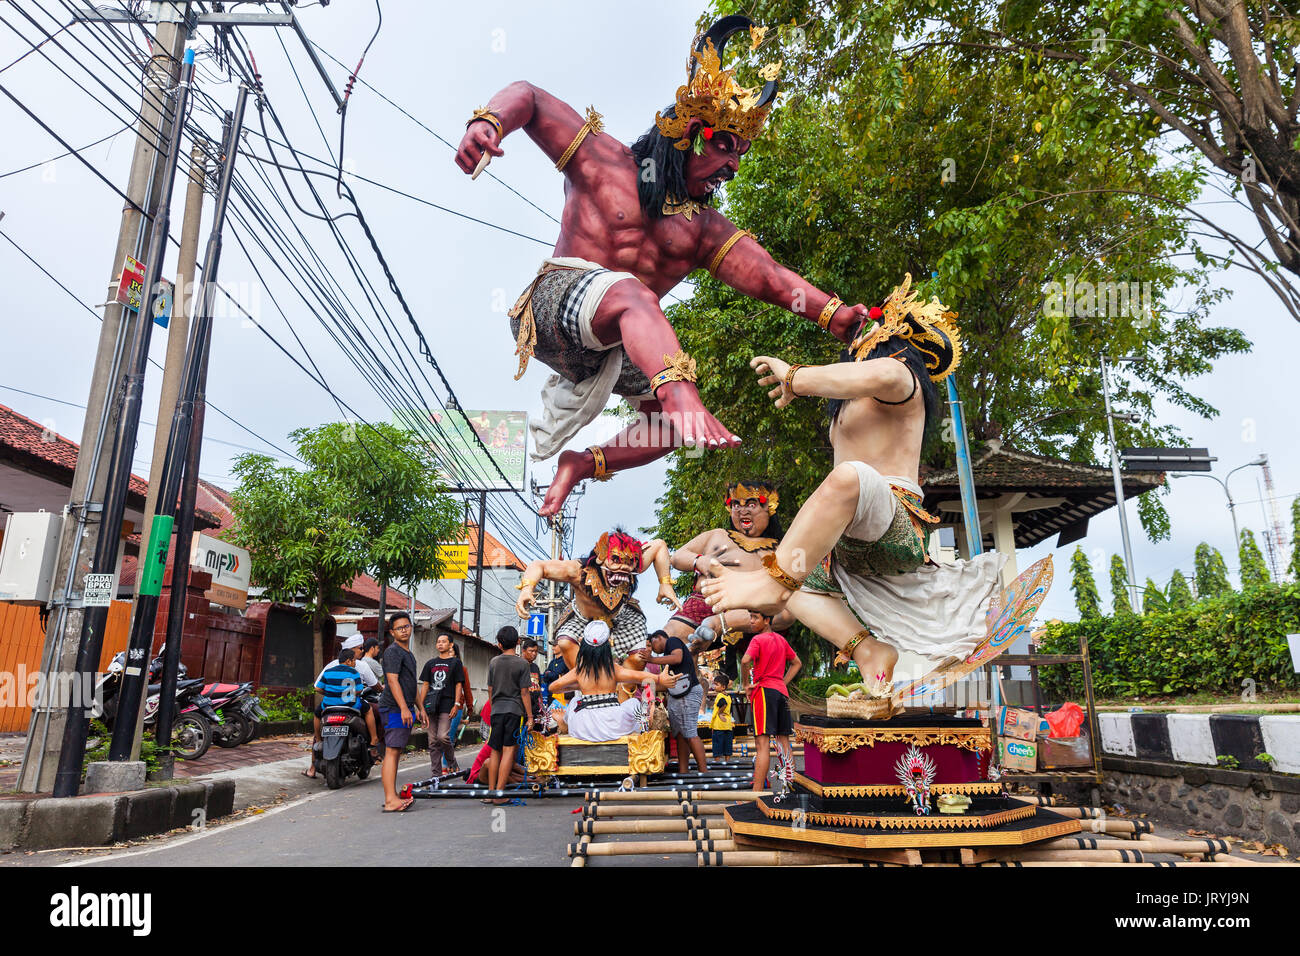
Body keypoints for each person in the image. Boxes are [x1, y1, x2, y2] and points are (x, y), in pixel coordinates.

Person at [456, 15, 878, 517]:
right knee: (636, 295)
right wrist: (489, 122)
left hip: (610, 345)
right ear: (691, 133)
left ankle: (581, 463)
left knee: (671, 427)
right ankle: (683, 398)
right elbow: (529, 96)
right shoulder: (602, 161)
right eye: (726, 146)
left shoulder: (702, 228)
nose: (734, 166)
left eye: (741, 153)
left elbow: (770, 277)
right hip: (554, 305)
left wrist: (834, 316)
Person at [702, 276, 1005, 696]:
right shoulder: (848, 407)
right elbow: (850, 383)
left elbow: (876, 374)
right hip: (849, 545)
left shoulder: (902, 379)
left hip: (894, 521)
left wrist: (795, 377)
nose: (861, 334)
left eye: (872, 328)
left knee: (848, 479)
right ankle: (867, 652)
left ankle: (771, 585)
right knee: (796, 582)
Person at [516, 530, 679, 685]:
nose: (623, 567)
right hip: (582, 619)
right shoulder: (577, 570)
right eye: (615, 559)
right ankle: (586, 683)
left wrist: (665, 583)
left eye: (629, 562)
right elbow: (539, 566)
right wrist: (527, 588)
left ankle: (623, 694)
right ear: (601, 557)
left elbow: (659, 545)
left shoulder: (633, 564)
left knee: (638, 658)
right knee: (565, 642)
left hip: (623, 618)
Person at [666, 479, 794, 676]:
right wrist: (700, 561)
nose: (742, 511)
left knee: (787, 615)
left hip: (755, 612)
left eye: (751, 504)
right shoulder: (717, 535)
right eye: (736, 505)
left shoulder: (780, 550)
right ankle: (690, 688)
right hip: (706, 602)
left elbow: (787, 600)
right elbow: (677, 557)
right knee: (671, 638)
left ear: (770, 508)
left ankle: (720, 625)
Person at [548, 621, 676, 740]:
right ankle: (644, 731)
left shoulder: (580, 670)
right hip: (612, 724)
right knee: (634, 703)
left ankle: (564, 723)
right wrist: (660, 678)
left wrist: (580, 686)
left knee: (575, 701)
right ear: (607, 646)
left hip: (583, 727)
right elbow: (637, 675)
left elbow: (553, 687)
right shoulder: (612, 668)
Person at [740, 616, 801, 791]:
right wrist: (782, 682)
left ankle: (756, 794)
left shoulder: (758, 639)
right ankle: (789, 789)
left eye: (755, 617)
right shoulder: (781, 640)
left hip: (764, 692)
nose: (751, 621)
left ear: (767, 620)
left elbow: (745, 661)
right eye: (750, 617)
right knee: (783, 741)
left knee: (762, 744)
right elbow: (797, 663)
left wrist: (746, 685)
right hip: (781, 692)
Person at [305, 635, 379, 778]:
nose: (361, 652)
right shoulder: (356, 669)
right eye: (360, 649)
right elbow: (359, 690)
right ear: (349, 658)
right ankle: (374, 739)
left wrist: (330, 692)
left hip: (329, 706)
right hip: (350, 705)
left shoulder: (329, 669)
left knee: (317, 714)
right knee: (369, 710)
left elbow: (317, 688)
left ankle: (318, 740)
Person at [643, 629, 708, 773]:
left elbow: (677, 658)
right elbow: (666, 683)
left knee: (690, 732)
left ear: (659, 637)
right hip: (678, 694)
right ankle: (683, 770)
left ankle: (703, 771)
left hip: (688, 691)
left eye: (652, 644)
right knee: (679, 734)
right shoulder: (666, 656)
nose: (652, 649)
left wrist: (652, 659)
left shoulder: (672, 641)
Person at [484, 626, 532, 806]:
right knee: (509, 751)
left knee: (495, 750)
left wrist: (494, 707)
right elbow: (525, 692)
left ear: (499, 643)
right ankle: (500, 793)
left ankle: (490, 792)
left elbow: (490, 689)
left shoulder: (494, 662)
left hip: (497, 710)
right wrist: (530, 717)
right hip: (514, 710)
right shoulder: (522, 664)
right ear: (518, 642)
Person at [378, 612, 419, 812]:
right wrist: (404, 707)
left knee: (396, 752)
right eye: (399, 628)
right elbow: (392, 681)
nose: (404, 630)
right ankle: (390, 800)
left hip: (404, 707)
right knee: (392, 752)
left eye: (407, 626)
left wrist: (419, 708)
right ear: (392, 632)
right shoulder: (393, 652)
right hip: (394, 708)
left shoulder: (408, 653)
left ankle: (391, 797)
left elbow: (411, 683)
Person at [416, 633, 466, 775]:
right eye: (438, 642)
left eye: (444, 642)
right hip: (431, 705)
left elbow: (458, 684)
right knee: (432, 740)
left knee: (443, 736)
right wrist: (420, 707)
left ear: (450, 645)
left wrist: (456, 704)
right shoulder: (430, 663)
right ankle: (436, 773)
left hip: (447, 704)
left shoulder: (456, 663)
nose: (440, 644)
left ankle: (451, 761)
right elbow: (425, 685)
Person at [708, 673, 735, 759]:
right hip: (727, 724)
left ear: (723, 687)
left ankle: (717, 762)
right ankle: (727, 761)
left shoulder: (720, 695)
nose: (714, 686)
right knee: (727, 744)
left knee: (717, 744)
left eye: (716, 684)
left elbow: (723, 704)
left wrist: (719, 713)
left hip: (719, 724)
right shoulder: (728, 696)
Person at [520, 637, 543, 727]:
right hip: (523, 709)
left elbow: (538, 687)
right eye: (531, 651)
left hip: (535, 708)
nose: (534, 654)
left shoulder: (535, 667)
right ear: (524, 651)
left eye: (536, 651)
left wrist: (541, 705)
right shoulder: (519, 665)